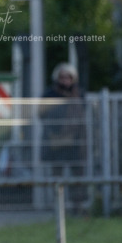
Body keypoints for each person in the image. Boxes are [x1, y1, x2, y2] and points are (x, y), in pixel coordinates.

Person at [41, 62, 87, 201]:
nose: (65, 80)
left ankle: (77, 206)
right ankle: (57, 207)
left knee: (78, 176)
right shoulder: (49, 94)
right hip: (56, 142)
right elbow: (42, 115)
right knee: (57, 176)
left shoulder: (79, 94)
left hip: (76, 142)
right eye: (62, 77)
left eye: (68, 77)